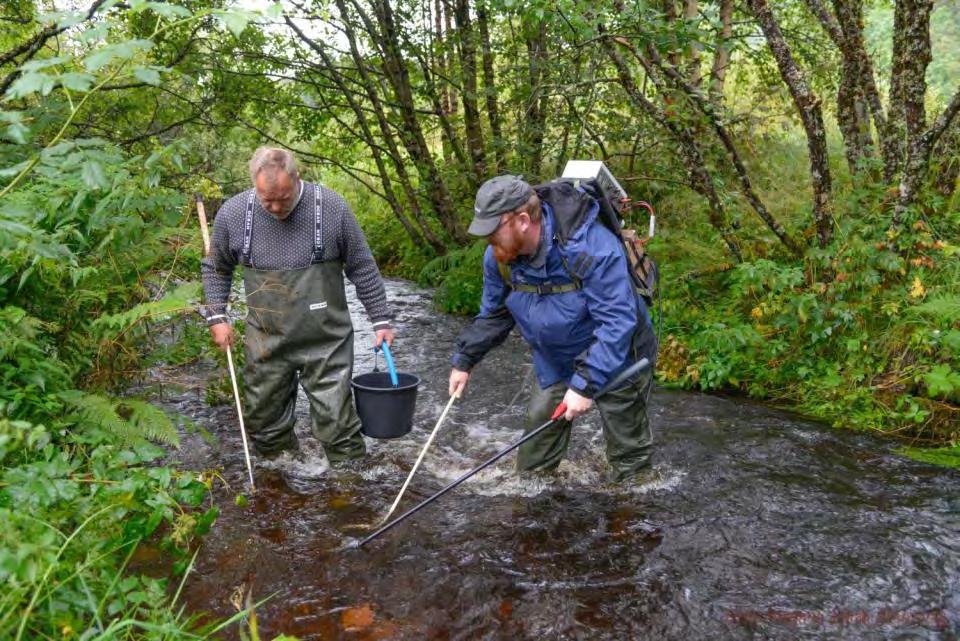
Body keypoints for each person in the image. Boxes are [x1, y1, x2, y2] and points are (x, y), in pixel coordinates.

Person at [448, 175, 657, 482]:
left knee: (630, 460)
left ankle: (631, 517)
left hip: (620, 355)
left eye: (493, 231)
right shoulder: (499, 258)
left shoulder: (591, 246)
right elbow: (494, 314)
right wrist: (465, 360)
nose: (488, 241)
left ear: (522, 220)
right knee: (531, 467)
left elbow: (617, 321)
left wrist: (584, 384)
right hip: (555, 361)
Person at [201, 147, 394, 463]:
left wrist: (381, 320)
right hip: (266, 341)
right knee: (264, 425)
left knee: (338, 426)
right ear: (254, 185)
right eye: (268, 201)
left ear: (297, 177)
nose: (276, 207)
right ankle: (284, 482)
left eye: (284, 198)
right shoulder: (234, 214)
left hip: (326, 342)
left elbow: (362, 265)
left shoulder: (331, 208)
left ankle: (350, 489)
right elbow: (216, 268)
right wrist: (217, 315)